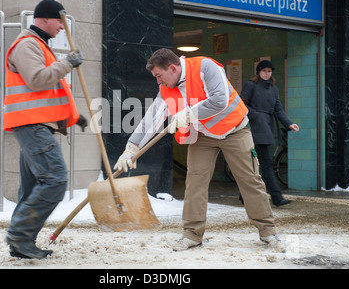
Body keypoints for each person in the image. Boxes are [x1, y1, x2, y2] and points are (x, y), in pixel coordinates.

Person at [114, 48, 284, 252]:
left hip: (235, 130)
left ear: (173, 68)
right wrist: (131, 147)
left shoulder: (205, 67)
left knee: (250, 180)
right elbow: (151, 119)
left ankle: (268, 232)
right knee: (195, 182)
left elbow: (219, 100)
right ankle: (192, 234)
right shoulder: (166, 89)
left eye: (159, 76)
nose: (158, 81)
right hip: (203, 136)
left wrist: (188, 114)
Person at [3, 0, 87, 259]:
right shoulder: (27, 44)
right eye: (59, 21)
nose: (62, 27)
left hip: (36, 124)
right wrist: (67, 64)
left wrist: (74, 118)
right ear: (45, 19)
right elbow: (38, 80)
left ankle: (20, 243)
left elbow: (49, 94)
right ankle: (19, 235)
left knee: (31, 187)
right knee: (55, 179)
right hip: (32, 125)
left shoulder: (39, 46)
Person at [240, 60, 299, 207]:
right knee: (262, 164)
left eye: (269, 71)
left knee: (254, 165)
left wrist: (289, 123)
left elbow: (278, 109)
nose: (267, 73)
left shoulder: (273, 89)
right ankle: (276, 197)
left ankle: (244, 196)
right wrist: (256, 116)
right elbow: (241, 104)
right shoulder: (250, 85)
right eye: (264, 71)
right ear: (258, 72)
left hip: (265, 128)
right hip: (253, 128)